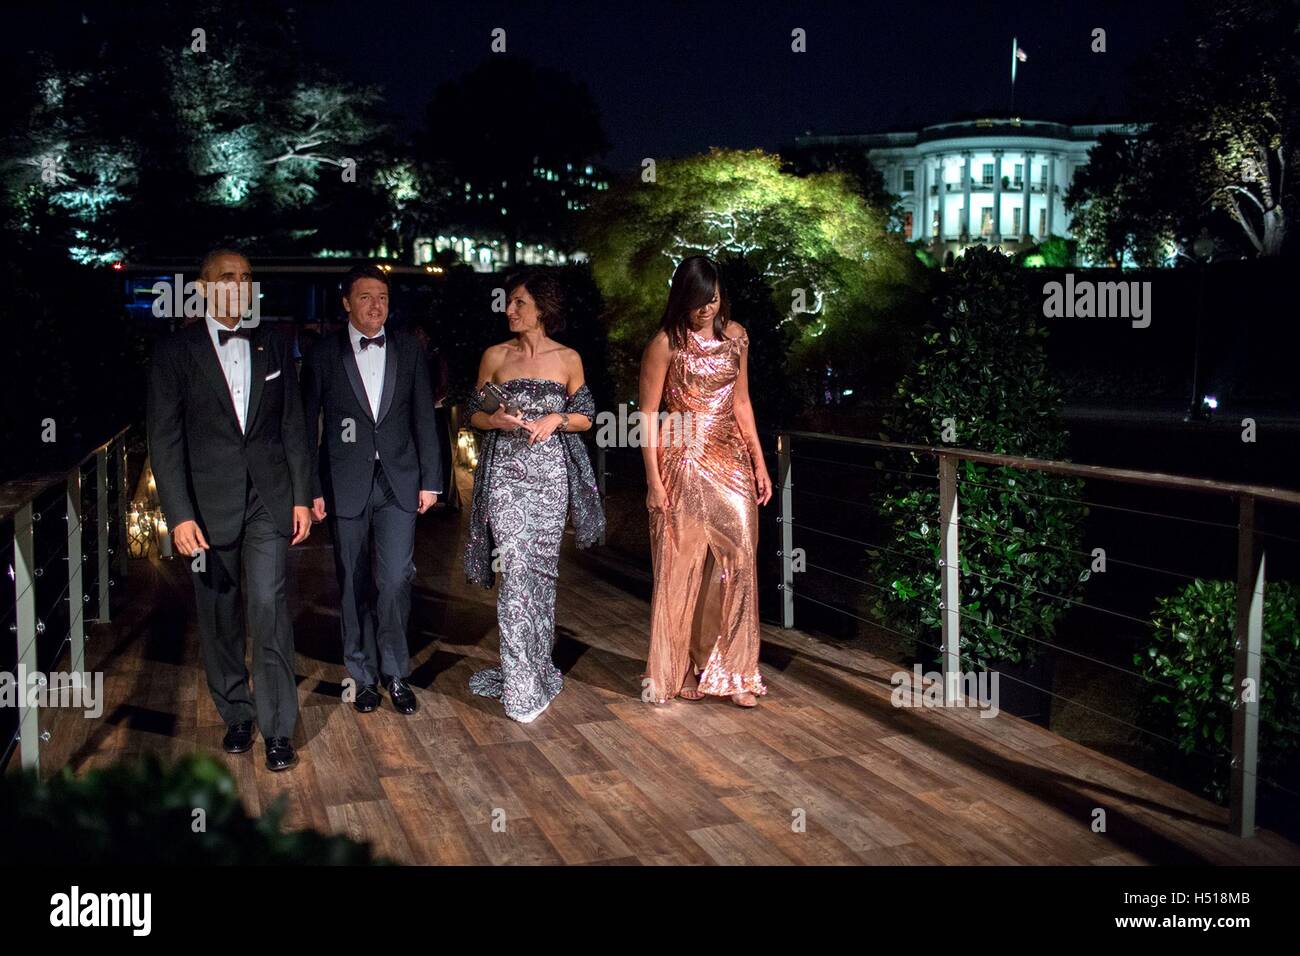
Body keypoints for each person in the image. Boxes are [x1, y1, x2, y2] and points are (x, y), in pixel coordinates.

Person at [147, 249, 313, 770]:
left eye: (246, 277)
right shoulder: (175, 353)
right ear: (202, 288)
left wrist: (303, 497)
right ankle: (236, 713)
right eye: (227, 277)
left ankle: (278, 727)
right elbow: (165, 440)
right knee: (219, 616)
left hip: (269, 501)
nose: (239, 285)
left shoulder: (276, 344)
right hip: (206, 505)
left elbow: (293, 426)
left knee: (268, 606)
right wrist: (179, 514)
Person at [300, 265, 442, 716]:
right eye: (365, 297)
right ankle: (361, 676)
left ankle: (396, 672)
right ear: (346, 302)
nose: (376, 305)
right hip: (343, 484)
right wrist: (310, 488)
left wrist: (432, 479)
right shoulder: (322, 354)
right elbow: (306, 428)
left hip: (399, 481)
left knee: (396, 578)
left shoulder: (408, 350)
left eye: (382, 296)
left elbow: (424, 415)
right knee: (352, 582)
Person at [463, 271, 604, 722]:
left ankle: (537, 665)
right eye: (508, 302)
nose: (509, 310)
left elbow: (587, 418)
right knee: (516, 567)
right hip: (504, 472)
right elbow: (473, 415)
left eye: (519, 303)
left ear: (542, 307)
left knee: (540, 571)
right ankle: (522, 683)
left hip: (549, 478)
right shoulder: (494, 357)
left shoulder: (568, 359)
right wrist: (496, 422)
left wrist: (556, 420)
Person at [639, 255, 772, 706]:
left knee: (740, 565)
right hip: (681, 463)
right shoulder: (665, 344)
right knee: (682, 570)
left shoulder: (736, 338)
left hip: (730, 463)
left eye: (713, 299)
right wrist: (654, 483)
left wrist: (759, 463)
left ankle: (736, 673)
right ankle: (682, 669)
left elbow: (742, 403)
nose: (706, 309)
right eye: (698, 301)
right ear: (683, 299)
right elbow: (647, 417)